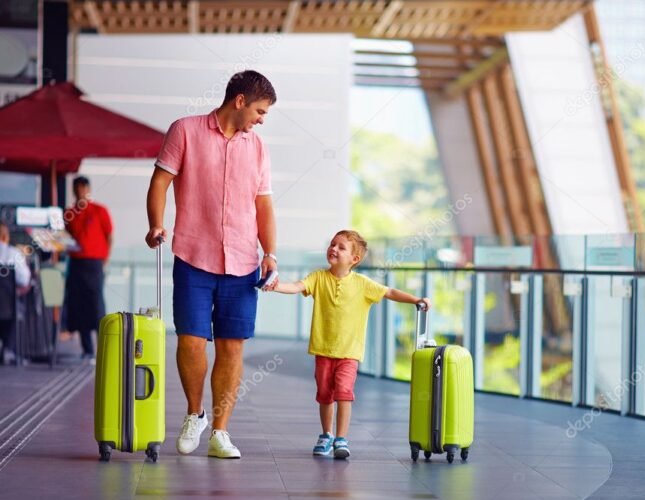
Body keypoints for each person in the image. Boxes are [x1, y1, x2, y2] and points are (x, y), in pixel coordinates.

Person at [145, 70, 278, 459]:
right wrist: (156, 223)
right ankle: (195, 413)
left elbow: (263, 205)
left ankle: (221, 431)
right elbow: (160, 182)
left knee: (231, 347)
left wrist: (270, 253)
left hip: (243, 261)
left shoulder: (258, 147)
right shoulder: (185, 130)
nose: (261, 119)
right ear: (240, 101)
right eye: (260, 111)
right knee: (190, 341)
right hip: (193, 256)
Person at [270, 230, 431, 459]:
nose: (333, 248)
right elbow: (296, 287)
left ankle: (341, 438)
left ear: (354, 259)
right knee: (325, 395)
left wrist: (416, 300)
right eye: (332, 244)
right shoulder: (318, 277)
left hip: (349, 353)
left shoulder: (363, 284)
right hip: (323, 350)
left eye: (341, 247)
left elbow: (389, 291)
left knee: (344, 393)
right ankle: (326, 435)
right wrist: (275, 286)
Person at [63, 176, 113, 361]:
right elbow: (66, 237)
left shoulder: (100, 210)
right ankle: (87, 350)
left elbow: (109, 236)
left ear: (88, 189)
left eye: (82, 188)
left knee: (96, 304)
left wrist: (105, 259)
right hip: (76, 263)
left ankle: (104, 349)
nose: (79, 192)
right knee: (79, 305)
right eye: (76, 189)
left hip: (94, 264)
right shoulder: (69, 213)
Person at [0, 222, 31, 363]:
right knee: (18, 308)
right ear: (5, 236)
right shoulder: (13, 254)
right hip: (7, 306)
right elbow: (24, 279)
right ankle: (9, 349)